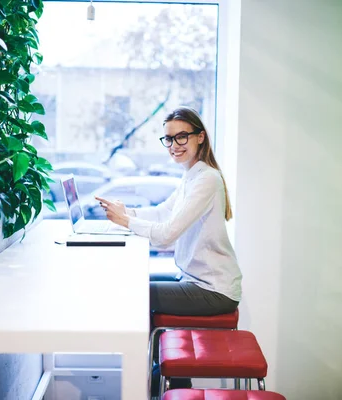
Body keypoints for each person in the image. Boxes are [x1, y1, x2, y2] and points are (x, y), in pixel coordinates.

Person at [95, 106, 242, 389]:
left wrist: (126, 222)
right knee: (138, 286)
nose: (174, 145)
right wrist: (128, 213)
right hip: (196, 281)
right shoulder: (192, 176)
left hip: (214, 290)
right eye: (169, 139)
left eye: (181, 137)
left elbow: (166, 235)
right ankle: (169, 380)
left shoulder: (206, 179)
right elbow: (163, 213)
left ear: (200, 137)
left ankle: (156, 379)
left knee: (138, 295)